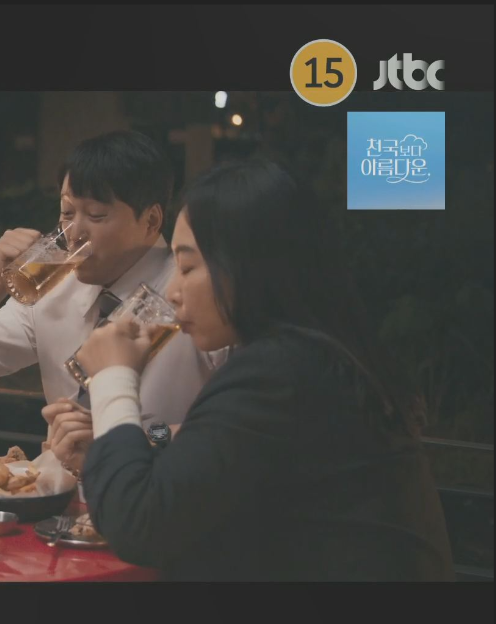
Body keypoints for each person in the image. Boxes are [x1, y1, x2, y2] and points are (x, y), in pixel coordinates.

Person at [70, 160, 454, 580]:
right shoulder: (311, 357)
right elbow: (192, 437)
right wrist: (121, 444)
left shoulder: (279, 372)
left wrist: (112, 379)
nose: (173, 292)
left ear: (247, 265)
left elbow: (138, 524)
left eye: (187, 267)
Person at [0, 130, 222, 458]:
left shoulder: (194, 292)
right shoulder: (54, 287)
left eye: (96, 215)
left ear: (151, 220)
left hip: (164, 484)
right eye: (67, 213)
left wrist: (142, 437)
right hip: (63, 485)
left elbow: (233, 428)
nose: (73, 234)